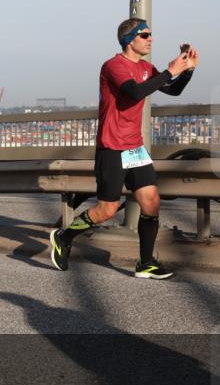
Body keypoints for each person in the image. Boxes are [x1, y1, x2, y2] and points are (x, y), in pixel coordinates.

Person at [49, 19, 198, 279]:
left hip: (134, 147)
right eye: (145, 35)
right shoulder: (114, 66)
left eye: (151, 34)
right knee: (106, 210)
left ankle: (146, 263)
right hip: (112, 147)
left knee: (151, 201)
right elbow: (135, 92)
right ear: (130, 39)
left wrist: (186, 70)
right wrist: (169, 70)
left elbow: (172, 91)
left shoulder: (145, 67)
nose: (151, 39)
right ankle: (64, 235)